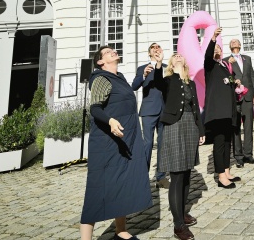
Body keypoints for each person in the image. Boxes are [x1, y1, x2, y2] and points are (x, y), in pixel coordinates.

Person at [80, 45, 152, 240]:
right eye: (107, 52)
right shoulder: (101, 78)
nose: (112, 51)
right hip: (106, 143)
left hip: (124, 140)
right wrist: (110, 121)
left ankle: (121, 231)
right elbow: (95, 108)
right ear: (100, 62)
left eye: (112, 49)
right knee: (97, 190)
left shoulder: (119, 77)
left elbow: (128, 97)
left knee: (123, 184)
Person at [152, 53, 205, 240]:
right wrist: (159, 64)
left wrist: (201, 130)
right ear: (171, 63)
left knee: (187, 172)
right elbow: (157, 82)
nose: (179, 56)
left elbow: (196, 108)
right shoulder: (167, 80)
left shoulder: (191, 83)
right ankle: (178, 225)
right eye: (175, 56)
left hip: (191, 126)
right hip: (174, 126)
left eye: (181, 55)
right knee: (177, 174)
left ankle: (182, 213)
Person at [203, 28, 240, 189]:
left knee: (227, 141)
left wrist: (235, 82)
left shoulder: (223, 66)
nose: (217, 50)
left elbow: (227, 82)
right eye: (215, 48)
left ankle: (226, 171)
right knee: (219, 143)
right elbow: (207, 55)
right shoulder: (210, 65)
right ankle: (221, 177)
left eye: (219, 48)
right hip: (217, 111)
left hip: (228, 110)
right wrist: (213, 38)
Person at [131, 42, 168, 189]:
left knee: (163, 144)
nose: (156, 49)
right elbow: (134, 86)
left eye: (158, 47)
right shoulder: (142, 68)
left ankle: (161, 177)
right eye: (153, 47)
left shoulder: (166, 67)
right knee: (147, 144)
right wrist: (143, 75)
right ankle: (143, 177)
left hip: (164, 110)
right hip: (148, 111)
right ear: (149, 53)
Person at [227, 38, 254, 167]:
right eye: (232, 42)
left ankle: (248, 154)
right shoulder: (226, 60)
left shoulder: (247, 59)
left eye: (236, 41)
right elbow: (226, 78)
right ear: (230, 46)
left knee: (248, 126)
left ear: (240, 45)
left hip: (248, 96)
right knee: (235, 127)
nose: (234, 42)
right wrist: (233, 80)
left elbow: (252, 76)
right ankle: (238, 156)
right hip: (235, 98)